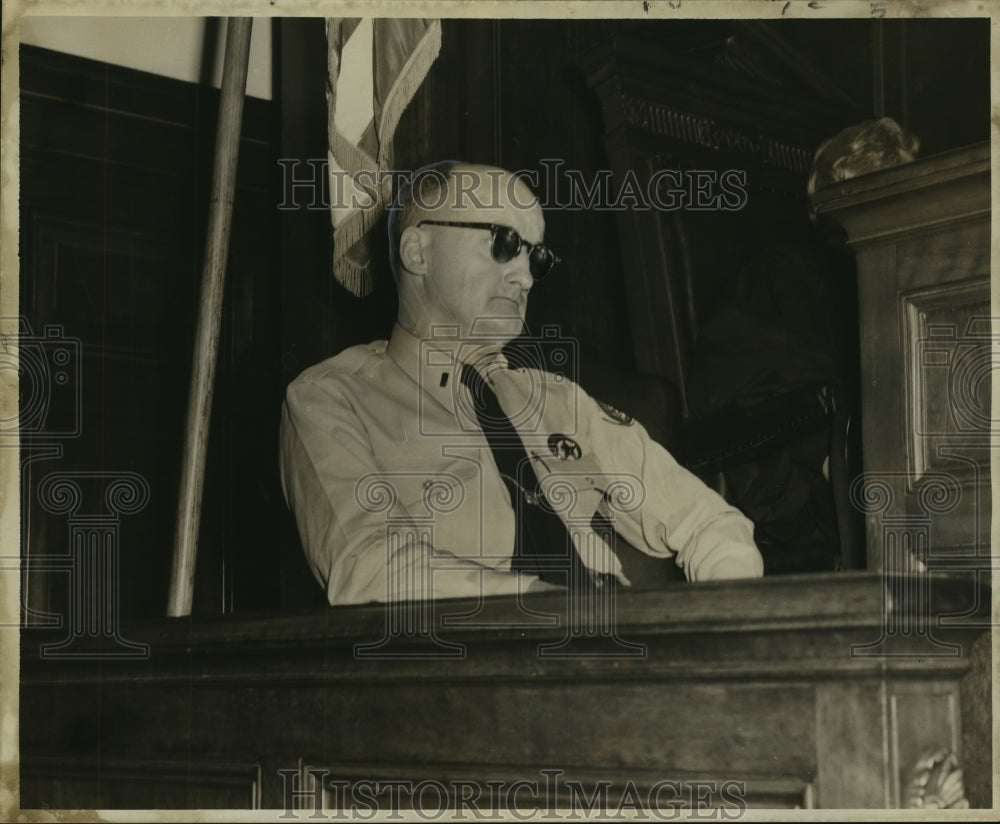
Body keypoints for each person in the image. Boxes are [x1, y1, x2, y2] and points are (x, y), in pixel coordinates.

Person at [279, 160, 763, 606]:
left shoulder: (559, 401)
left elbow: (709, 521)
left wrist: (727, 621)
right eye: (504, 244)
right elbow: (369, 564)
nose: (526, 278)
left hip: (613, 660)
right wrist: (540, 601)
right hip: (463, 668)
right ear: (417, 250)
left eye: (538, 258)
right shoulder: (332, 397)